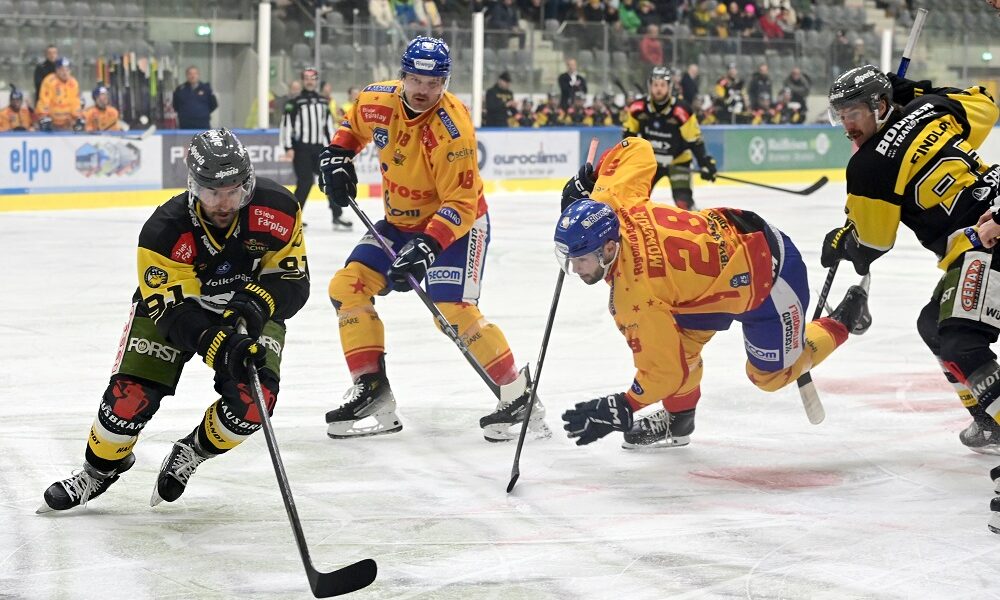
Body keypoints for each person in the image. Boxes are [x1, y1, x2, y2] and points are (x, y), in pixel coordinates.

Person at [37, 129, 309, 512]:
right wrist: (218, 344)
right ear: (193, 186)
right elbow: (175, 313)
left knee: (254, 404)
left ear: (247, 182)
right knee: (127, 402)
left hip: (247, 310)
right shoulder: (164, 231)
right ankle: (98, 472)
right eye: (213, 191)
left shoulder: (278, 209)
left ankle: (193, 451)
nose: (224, 202)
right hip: (177, 313)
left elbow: (294, 280)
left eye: (234, 189)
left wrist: (255, 303)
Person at [555, 137, 871, 449]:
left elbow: (664, 372)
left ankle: (842, 320)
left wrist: (623, 405)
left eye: (581, 259)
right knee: (679, 345)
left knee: (768, 377)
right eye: (570, 259)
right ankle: (679, 421)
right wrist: (594, 182)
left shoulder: (635, 298)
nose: (575, 268)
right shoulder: (614, 201)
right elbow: (637, 148)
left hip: (770, 277)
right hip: (711, 279)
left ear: (609, 248)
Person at [318, 36, 548, 441]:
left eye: (435, 82)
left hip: (457, 226)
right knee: (347, 286)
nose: (424, 90)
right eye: (417, 79)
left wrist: (428, 245)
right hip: (398, 222)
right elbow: (352, 126)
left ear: (446, 81)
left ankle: (518, 394)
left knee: (452, 310)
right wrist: (337, 156)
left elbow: (460, 201)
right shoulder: (377, 100)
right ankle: (372, 391)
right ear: (403, 75)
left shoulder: (452, 129)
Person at [820, 65, 1000, 456]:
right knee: (933, 324)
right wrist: (920, 90)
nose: (847, 124)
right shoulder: (932, 107)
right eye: (841, 114)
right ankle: (988, 420)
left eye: (854, 112)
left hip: (984, 242)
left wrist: (842, 242)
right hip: (992, 214)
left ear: (880, 105)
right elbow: (986, 105)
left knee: (959, 342)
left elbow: (872, 243)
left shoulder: (869, 166)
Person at [619, 66, 717, 211]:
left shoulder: (682, 110)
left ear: (670, 87)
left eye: (663, 85)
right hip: (650, 163)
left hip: (679, 162)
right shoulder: (637, 108)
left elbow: (695, 141)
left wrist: (705, 163)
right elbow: (628, 138)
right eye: (655, 85)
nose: (659, 89)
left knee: (684, 205)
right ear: (649, 86)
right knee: (634, 201)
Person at [280, 67, 352, 230]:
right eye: (306, 78)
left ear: (317, 80)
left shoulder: (322, 102)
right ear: (302, 80)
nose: (310, 81)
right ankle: (293, 218)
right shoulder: (294, 102)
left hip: (319, 148)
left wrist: (333, 146)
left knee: (329, 179)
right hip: (302, 148)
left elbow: (327, 126)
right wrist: (288, 147)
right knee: (305, 182)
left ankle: (337, 215)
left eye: (313, 78)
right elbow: (286, 126)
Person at [35, 57, 81, 132]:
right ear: (56, 70)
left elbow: (75, 102)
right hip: (51, 122)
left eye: (67, 70)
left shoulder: (73, 83)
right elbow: (44, 101)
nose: (65, 72)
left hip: (67, 123)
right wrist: (43, 116)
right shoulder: (49, 81)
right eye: (62, 69)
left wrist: (77, 117)